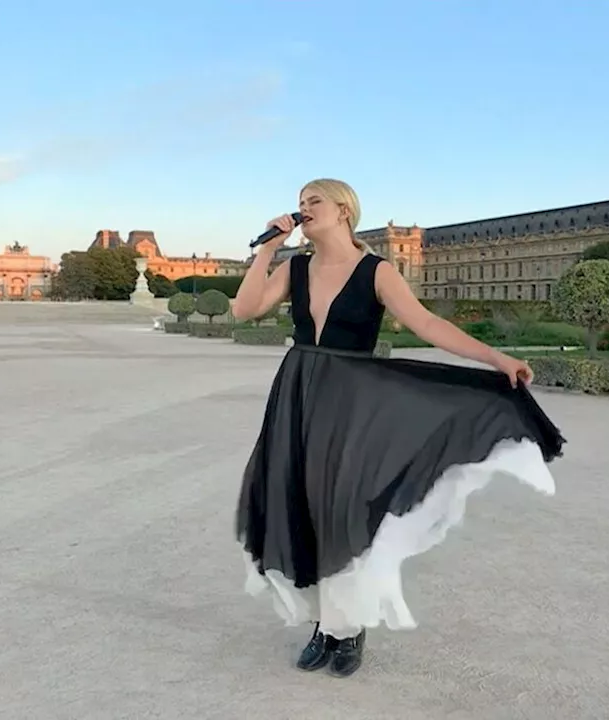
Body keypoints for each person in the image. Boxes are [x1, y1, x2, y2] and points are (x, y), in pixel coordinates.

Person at [231, 178, 565, 679]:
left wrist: (496, 357)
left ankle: (347, 627)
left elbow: (427, 324)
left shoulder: (376, 270)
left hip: (351, 399)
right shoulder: (293, 266)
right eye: (300, 204)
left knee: (340, 508)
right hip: (298, 393)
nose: (302, 210)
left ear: (344, 210)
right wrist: (268, 250)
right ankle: (325, 624)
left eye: (313, 202)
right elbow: (243, 309)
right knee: (302, 503)